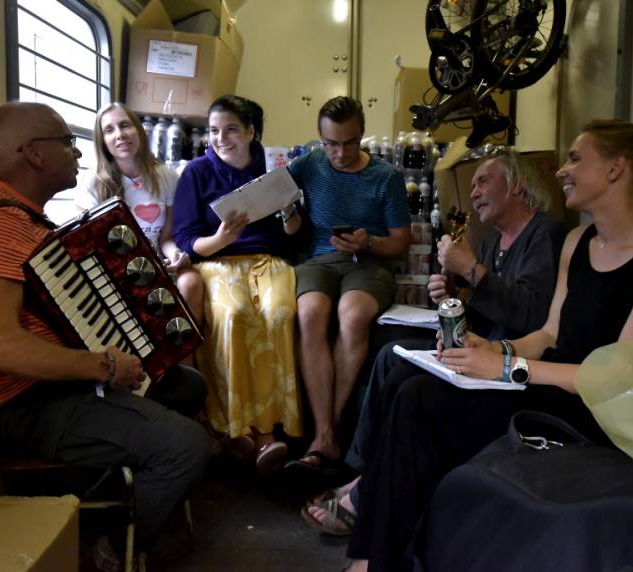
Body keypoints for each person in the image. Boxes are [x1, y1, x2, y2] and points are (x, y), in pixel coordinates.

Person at [340, 119, 633, 571]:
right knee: (405, 376)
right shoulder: (578, 241)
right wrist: (494, 350)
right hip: (549, 385)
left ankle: (378, 560)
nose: (561, 171)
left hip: (594, 411)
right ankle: (383, 551)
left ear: (615, 169)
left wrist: (508, 370)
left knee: (420, 402)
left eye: (575, 159)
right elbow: (548, 335)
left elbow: (620, 377)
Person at [0, 102, 209, 565]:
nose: (79, 153)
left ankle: (112, 495)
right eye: (67, 141)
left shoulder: (19, 216)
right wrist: (103, 365)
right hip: (22, 406)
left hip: (51, 387)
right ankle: (104, 548)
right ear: (34, 154)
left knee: (186, 384)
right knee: (186, 445)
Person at [302, 149, 567, 533]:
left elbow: (531, 316)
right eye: (472, 183)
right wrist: (455, 295)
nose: (473, 192)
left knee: (408, 382)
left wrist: (470, 271)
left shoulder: (545, 233)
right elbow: (487, 310)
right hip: (479, 350)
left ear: (517, 185)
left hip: (508, 364)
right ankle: (366, 475)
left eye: (482, 181)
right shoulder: (494, 242)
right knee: (390, 354)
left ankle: (365, 494)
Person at [171, 94, 302, 475]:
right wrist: (220, 240)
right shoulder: (196, 173)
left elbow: (294, 233)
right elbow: (185, 240)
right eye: (213, 131)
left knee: (278, 314)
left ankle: (268, 430)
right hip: (218, 261)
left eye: (230, 129)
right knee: (234, 315)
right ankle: (231, 425)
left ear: (251, 131)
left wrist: (289, 207)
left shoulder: (274, 165)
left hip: (270, 260)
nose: (220, 138)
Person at [285, 96, 411, 475]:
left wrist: (368, 242)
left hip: (366, 262)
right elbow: (269, 190)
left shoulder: (385, 176)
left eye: (349, 143)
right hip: (319, 260)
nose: (339, 153)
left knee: (353, 316)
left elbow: (401, 242)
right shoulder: (308, 164)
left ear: (362, 136)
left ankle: (327, 433)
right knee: (310, 313)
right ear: (320, 139)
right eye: (330, 143)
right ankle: (326, 435)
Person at [76, 101, 204, 323]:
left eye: (125, 125)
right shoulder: (92, 183)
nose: (120, 135)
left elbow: (166, 237)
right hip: (115, 270)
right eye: (109, 130)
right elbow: (89, 246)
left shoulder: (166, 176)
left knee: (191, 282)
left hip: (158, 265)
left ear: (138, 130)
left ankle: (185, 358)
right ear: (103, 142)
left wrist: (174, 254)